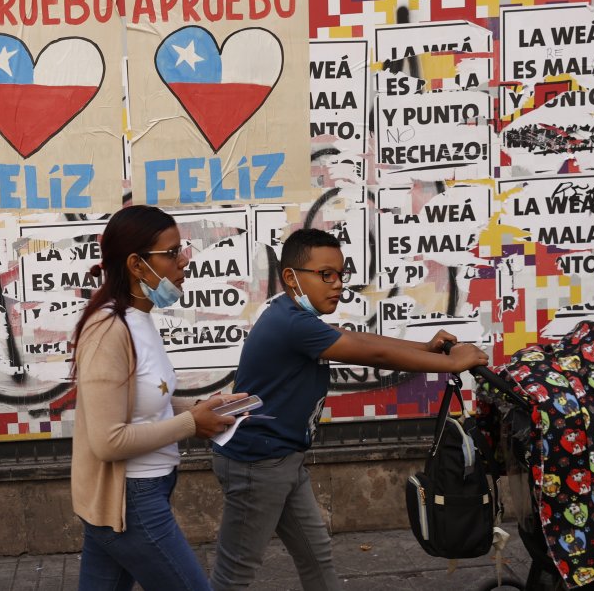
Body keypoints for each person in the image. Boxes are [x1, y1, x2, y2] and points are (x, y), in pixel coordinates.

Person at [209, 228, 490, 591]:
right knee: (235, 574)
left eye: (341, 274)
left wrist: (425, 346)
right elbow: (372, 353)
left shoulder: (294, 317)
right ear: (291, 277)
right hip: (256, 465)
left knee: (316, 554)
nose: (338, 284)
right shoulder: (291, 325)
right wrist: (450, 365)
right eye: (325, 274)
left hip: (283, 459)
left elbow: (359, 339)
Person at [71, 204, 247, 591]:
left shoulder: (139, 319)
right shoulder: (108, 330)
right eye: (171, 253)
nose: (183, 260)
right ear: (137, 264)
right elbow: (108, 440)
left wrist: (202, 409)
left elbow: (145, 407)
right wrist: (190, 423)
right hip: (130, 503)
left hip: (144, 493)